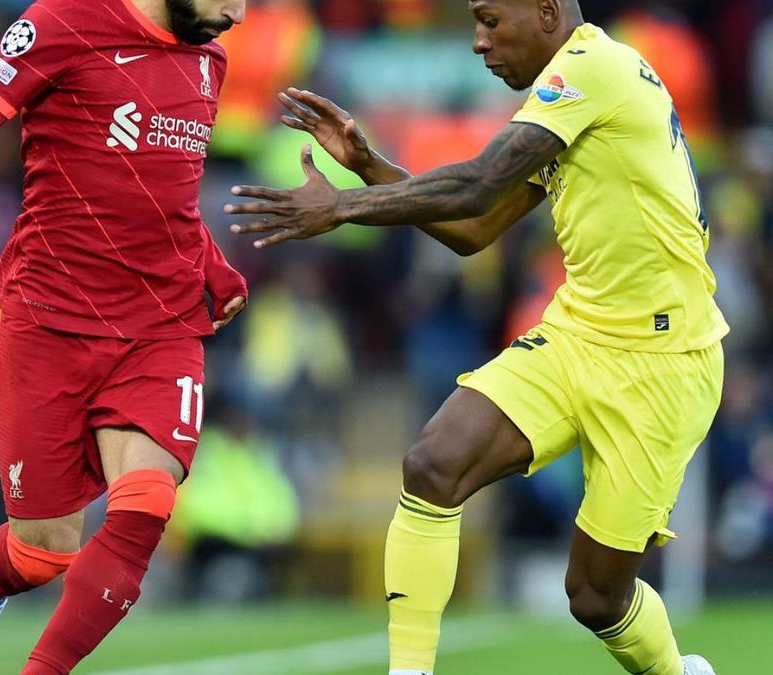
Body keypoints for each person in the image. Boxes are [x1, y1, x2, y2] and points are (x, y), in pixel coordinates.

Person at [225, 1, 726, 674]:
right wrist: (369, 165)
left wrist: (341, 206)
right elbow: (476, 229)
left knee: (595, 596)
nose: (478, 42)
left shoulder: (589, 70)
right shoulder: (570, 94)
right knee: (435, 463)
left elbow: (477, 185)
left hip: (662, 360)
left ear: (547, 12)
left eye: (491, 19)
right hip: (580, 335)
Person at [0, 0, 249, 672]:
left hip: (161, 325)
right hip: (51, 318)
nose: (237, 13)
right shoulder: (62, 21)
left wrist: (213, 268)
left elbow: (162, 192)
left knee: (145, 507)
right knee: (43, 550)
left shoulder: (211, 56)